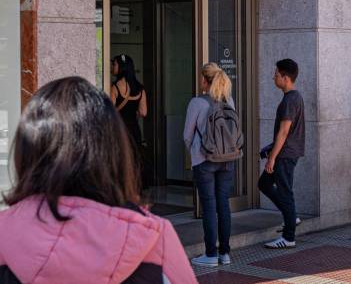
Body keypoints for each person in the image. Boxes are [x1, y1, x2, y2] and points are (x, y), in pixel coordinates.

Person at [0, 77, 195, 283]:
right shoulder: (155, 238)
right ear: (114, 149)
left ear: (26, 152)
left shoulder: (5, 234)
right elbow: (144, 112)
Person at [183, 63, 237, 267]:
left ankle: (210, 254)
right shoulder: (228, 100)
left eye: (201, 78)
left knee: (209, 206)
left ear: (205, 81)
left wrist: (195, 151)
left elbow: (187, 135)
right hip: (228, 159)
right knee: (223, 204)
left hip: (204, 160)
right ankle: (225, 253)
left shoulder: (197, 102)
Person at [259, 59, 305, 249]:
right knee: (264, 184)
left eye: (276, 74)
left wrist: (272, 157)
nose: (273, 77)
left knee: (285, 192)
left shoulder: (289, 100)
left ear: (286, 78)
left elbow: (284, 132)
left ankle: (288, 237)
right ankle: (290, 216)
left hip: (285, 154)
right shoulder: (295, 98)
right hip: (286, 152)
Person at [111, 54, 147, 153]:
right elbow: (143, 112)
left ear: (121, 67)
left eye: (114, 64)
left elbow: (110, 111)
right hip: (134, 130)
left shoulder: (115, 87)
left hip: (119, 130)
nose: (112, 67)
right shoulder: (140, 88)